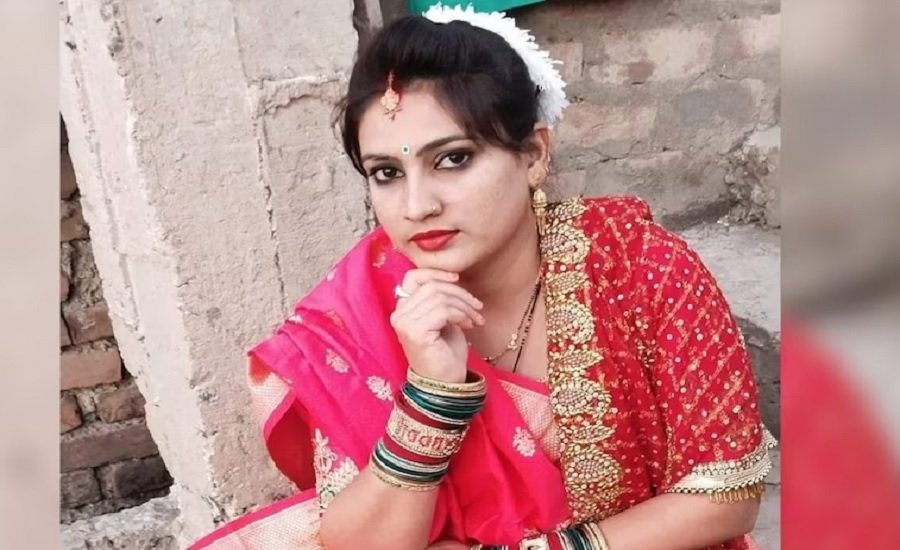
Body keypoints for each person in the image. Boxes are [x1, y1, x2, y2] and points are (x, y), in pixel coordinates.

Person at [188, 6, 776, 550]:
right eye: (387, 172)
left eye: (453, 159)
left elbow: (725, 493)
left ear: (534, 155)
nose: (417, 206)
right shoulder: (362, 308)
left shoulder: (640, 267)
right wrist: (430, 396)